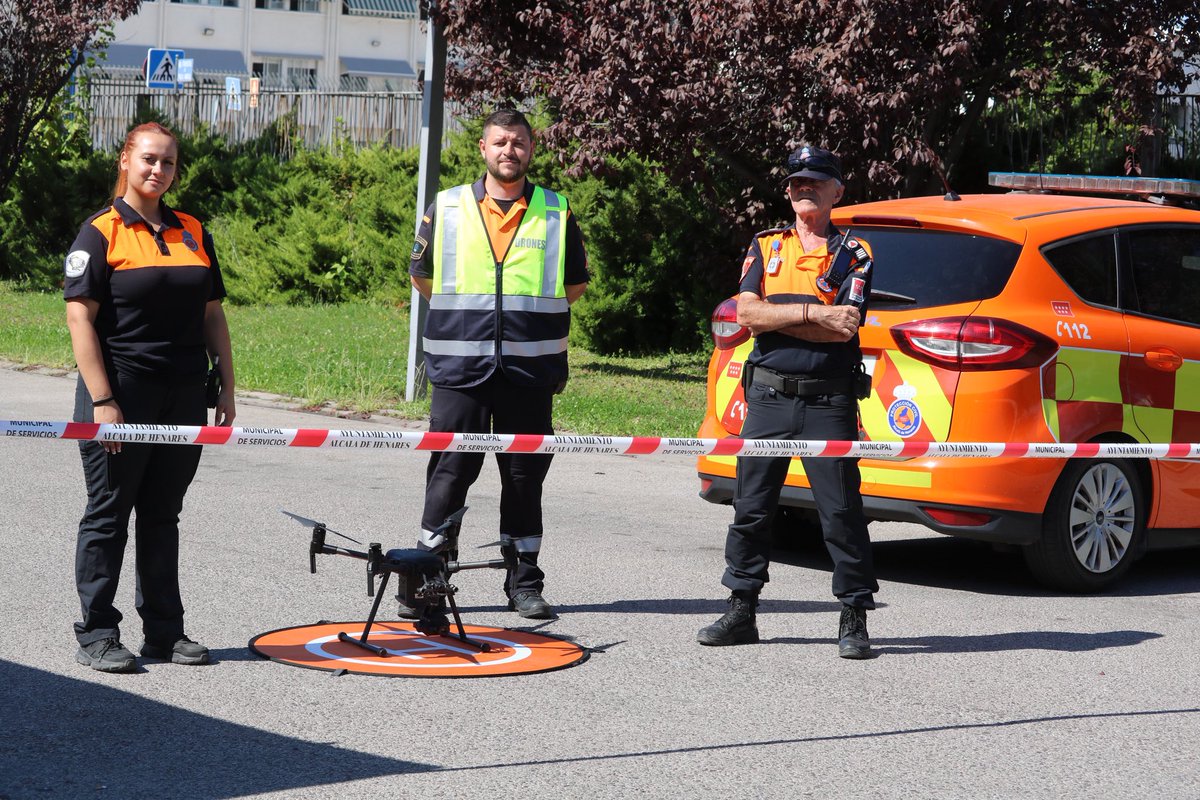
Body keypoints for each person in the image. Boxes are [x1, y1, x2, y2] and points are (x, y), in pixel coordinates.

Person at [64, 122, 236, 672]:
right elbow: (79, 318)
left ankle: (165, 631)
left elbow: (212, 311)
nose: (158, 170)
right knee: (109, 513)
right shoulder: (100, 231)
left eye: (168, 162)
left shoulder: (193, 230)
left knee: (163, 513)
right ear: (126, 161)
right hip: (121, 393)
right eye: (148, 159)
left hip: (184, 394)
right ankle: (97, 632)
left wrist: (227, 382)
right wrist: (102, 400)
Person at [697, 145, 879, 658]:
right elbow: (747, 315)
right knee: (751, 508)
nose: (805, 188)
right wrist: (814, 313)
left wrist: (783, 315)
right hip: (770, 398)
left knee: (841, 512)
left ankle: (853, 616)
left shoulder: (855, 251)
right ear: (787, 191)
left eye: (816, 181)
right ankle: (741, 608)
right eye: (797, 182)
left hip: (828, 402)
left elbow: (845, 327)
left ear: (837, 191)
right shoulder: (765, 245)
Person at [408, 108, 589, 619]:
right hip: (459, 369)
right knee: (449, 472)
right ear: (483, 149)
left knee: (524, 476)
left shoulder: (556, 210)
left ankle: (524, 581)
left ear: (531, 151)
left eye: (519, 143)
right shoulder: (445, 206)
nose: (509, 150)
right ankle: (430, 581)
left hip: (529, 372)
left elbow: (574, 283)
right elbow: (422, 276)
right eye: (499, 142)